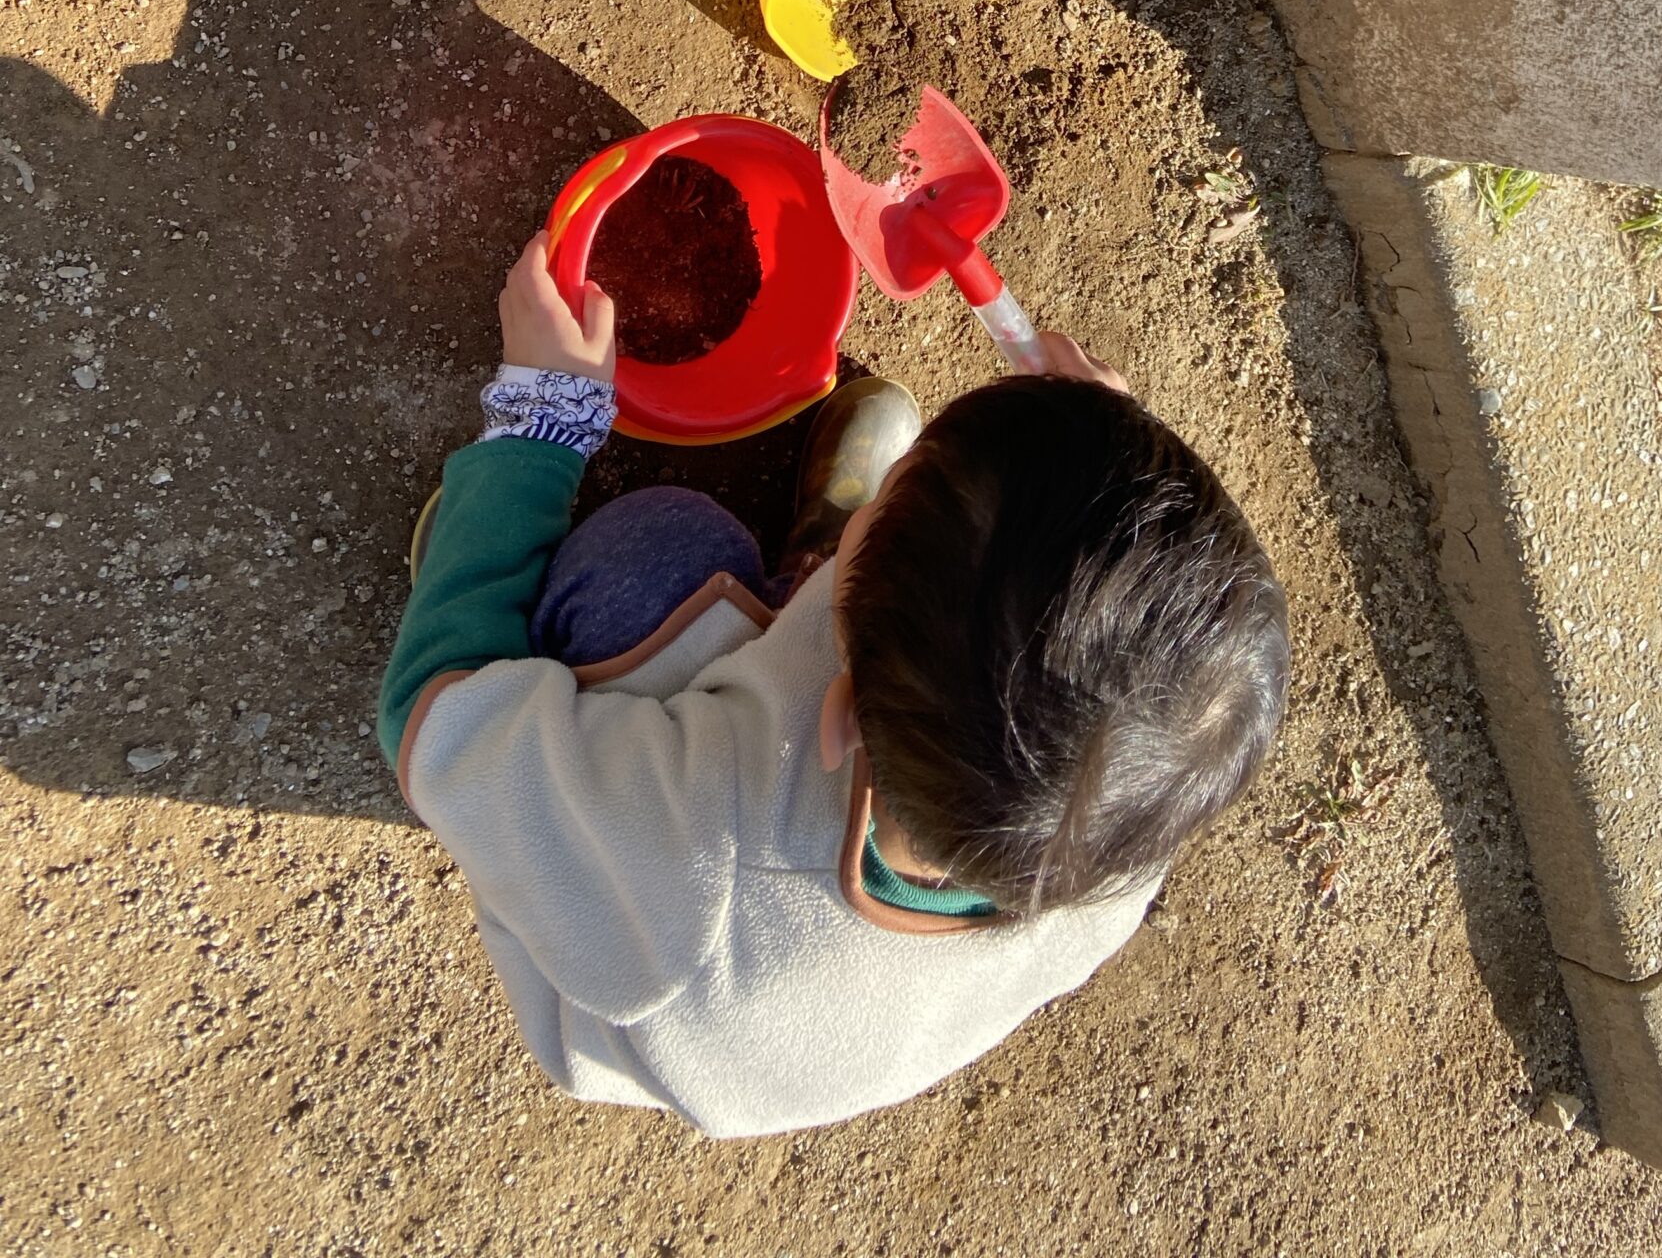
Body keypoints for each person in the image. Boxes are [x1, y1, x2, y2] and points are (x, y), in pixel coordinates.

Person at [379, 231, 1291, 1136]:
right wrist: (1100, 463)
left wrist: (540, 429)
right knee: (937, 614)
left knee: (661, 549)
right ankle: (836, 565)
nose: (907, 465)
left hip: (625, 948)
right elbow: (1120, 656)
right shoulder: (1120, 828)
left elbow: (431, 719)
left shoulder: (689, 861)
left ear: (841, 714)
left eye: (898, 486)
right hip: (785, 950)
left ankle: (487, 576)